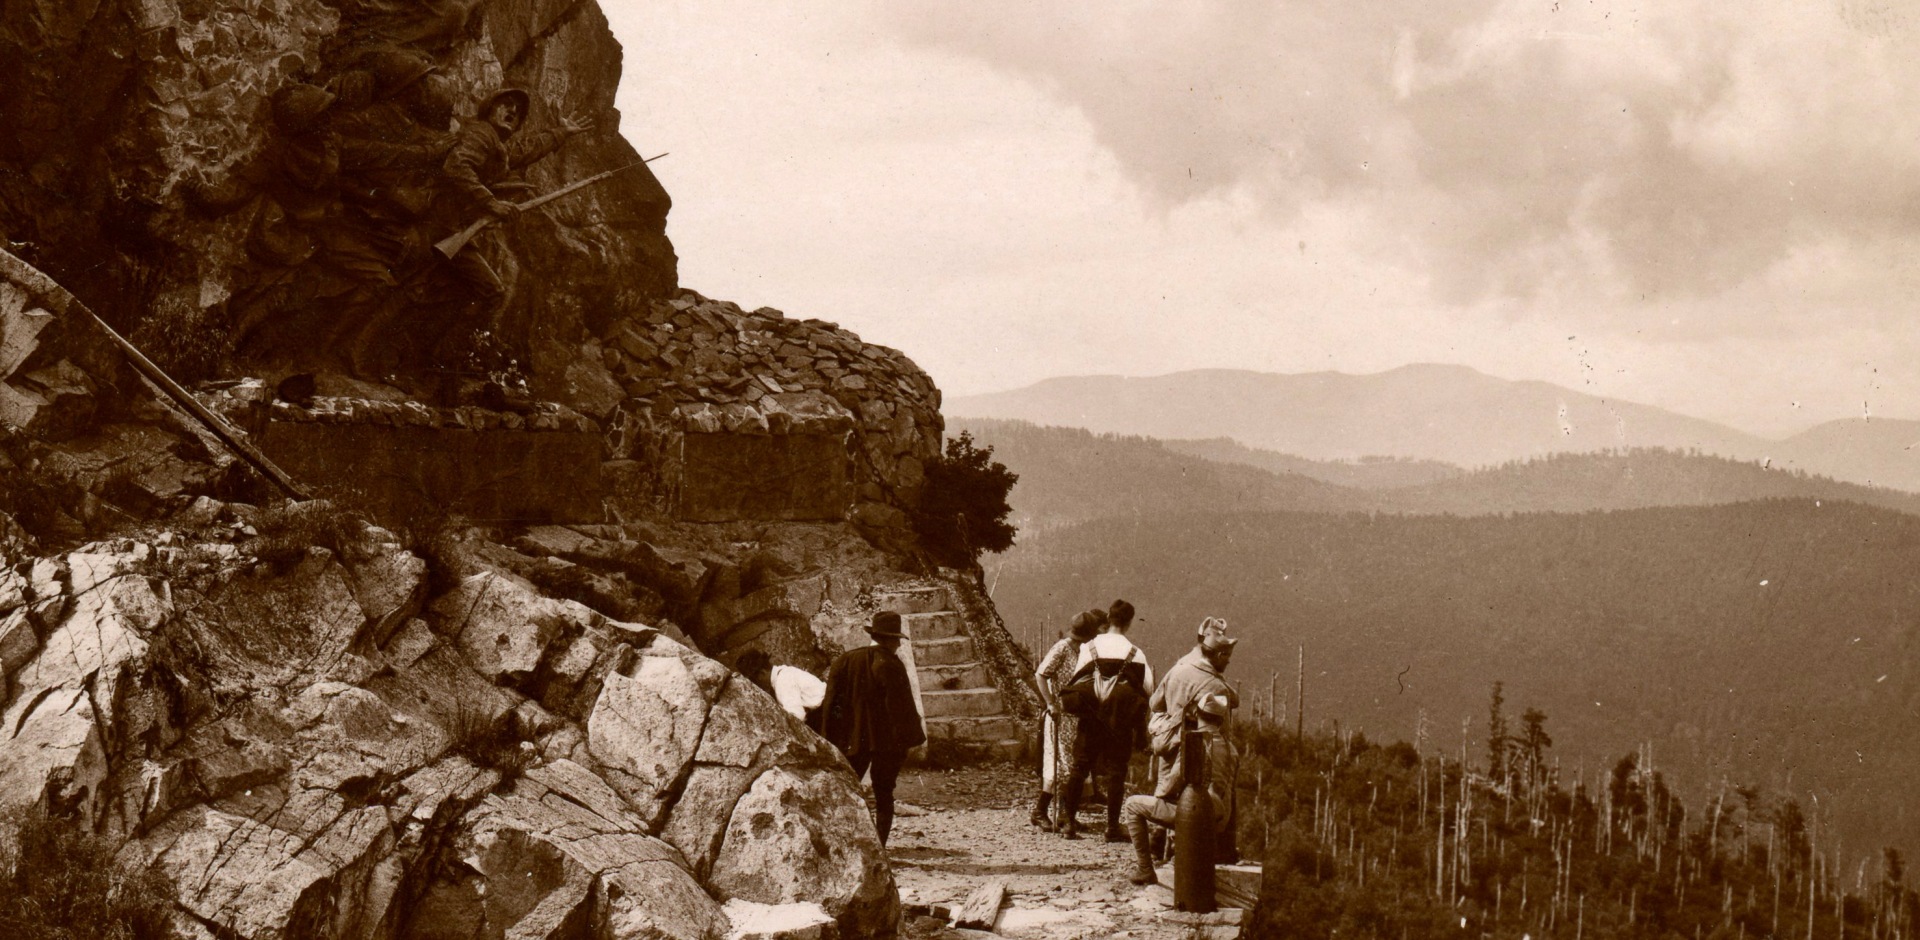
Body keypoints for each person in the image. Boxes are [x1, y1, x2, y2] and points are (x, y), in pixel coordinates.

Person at [1122, 616, 1240, 885]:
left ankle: (1155, 855)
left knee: (1165, 800)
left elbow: (1155, 702)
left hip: (1175, 749)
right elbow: (1233, 700)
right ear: (1219, 654)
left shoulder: (1178, 668)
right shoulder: (1217, 687)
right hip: (1204, 784)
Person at [820, 611, 926, 845]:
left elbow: (831, 705)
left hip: (852, 742)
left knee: (845, 790)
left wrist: (829, 739)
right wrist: (910, 740)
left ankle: (844, 842)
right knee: (884, 795)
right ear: (889, 639)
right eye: (897, 639)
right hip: (887, 744)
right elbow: (902, 708)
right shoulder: (891, 664)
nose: (898, 645)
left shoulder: (844, 661)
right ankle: (879, 846)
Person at [1057, 599, 1154, 841]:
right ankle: (1112, 828)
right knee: (1117, 772)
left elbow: (1078, 679)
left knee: (1079, 767)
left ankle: (1068, 822)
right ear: (1129, 623)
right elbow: (1148, 689)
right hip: (1119, 721)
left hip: (1091, 717)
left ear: (1108, 619)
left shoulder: (1089, 647)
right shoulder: (1136, 653)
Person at [1029, 609, 1104, 831]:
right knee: (1062, 766)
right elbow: (1041, 675)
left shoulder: (1085, 650)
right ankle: (1041, 811)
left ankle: (1065, 814)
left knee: (1073, 766)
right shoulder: (1062, 648)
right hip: (1060, 715)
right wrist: (1051, 703)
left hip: (1077, 716)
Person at [735, 650, 827, 729]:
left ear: (761, 674)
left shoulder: (782, 681)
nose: (756, 685)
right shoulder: (783, 672)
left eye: (754, 680)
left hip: (826, 711)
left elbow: (797, 716)